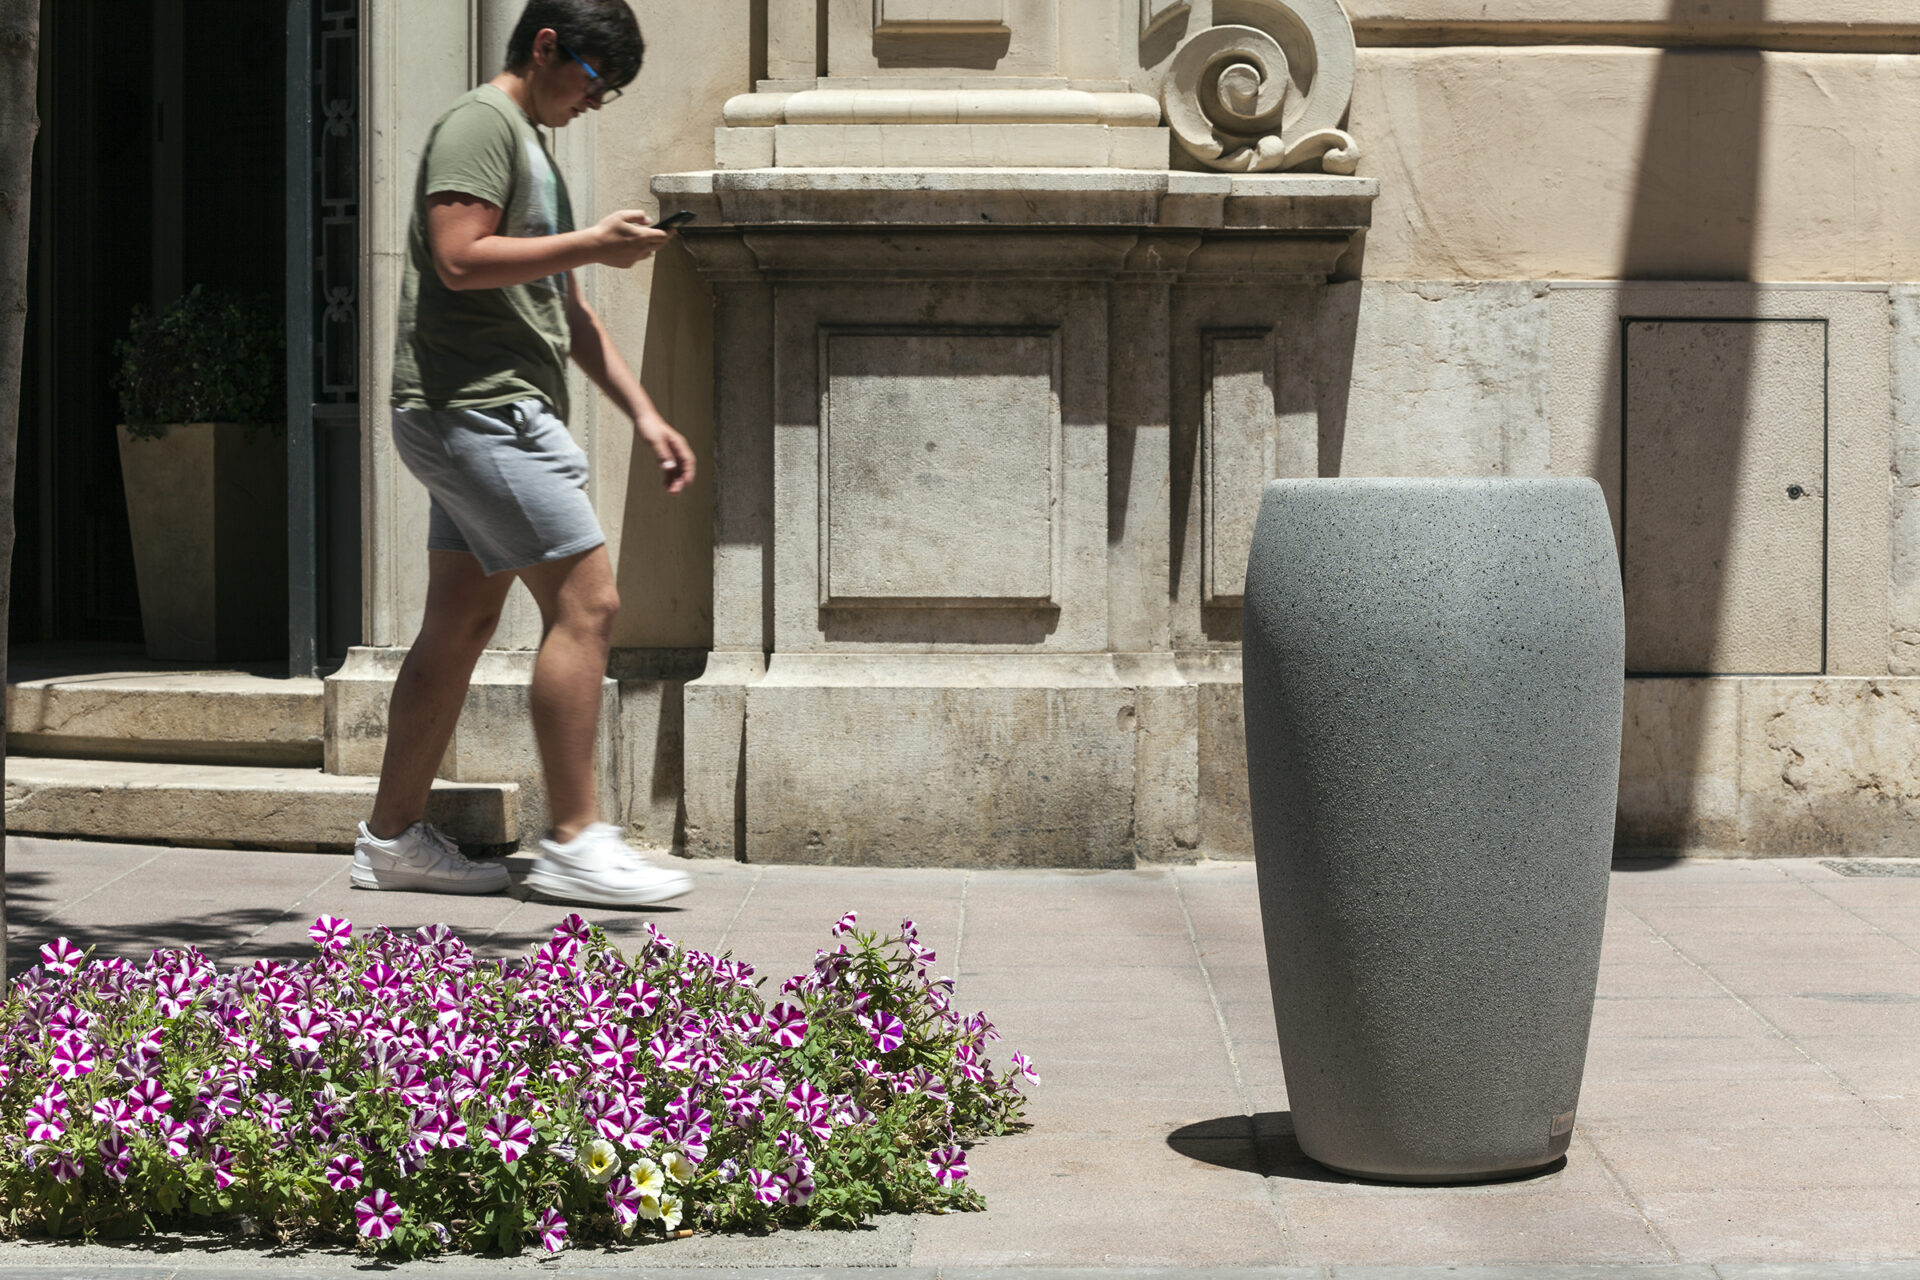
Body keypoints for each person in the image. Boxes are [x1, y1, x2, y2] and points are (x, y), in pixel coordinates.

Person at [350, 0, 695, 906]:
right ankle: (578, 840)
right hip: (476, 410)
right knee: (591, 603)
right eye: (594, 79)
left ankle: (390, 841)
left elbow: (567, 312)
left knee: (461, 624)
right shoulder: (480, 125)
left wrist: (646, 415)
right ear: (547, 46)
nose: (596, 100)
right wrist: (592, 242)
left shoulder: (532, 152)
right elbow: (458, 256)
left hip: (476, 409)